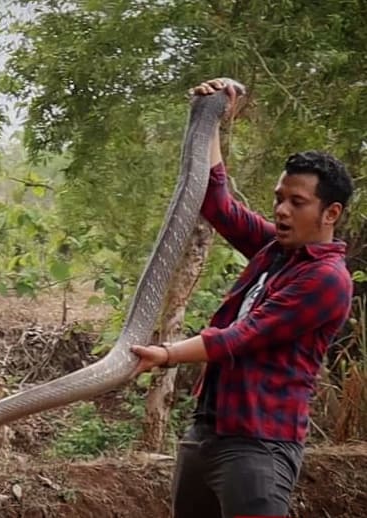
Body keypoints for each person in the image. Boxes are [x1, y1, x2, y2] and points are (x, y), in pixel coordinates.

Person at [131, 78, 355, 518]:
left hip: (258, 447)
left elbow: (240, 337)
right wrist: (210, 114)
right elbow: (217, 205)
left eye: (297, 202)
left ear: (330, 213)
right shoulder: (276, 250)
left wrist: (164, 354)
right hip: (207, 432)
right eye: (279, 199)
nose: (282, 210)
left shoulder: (327, 279)